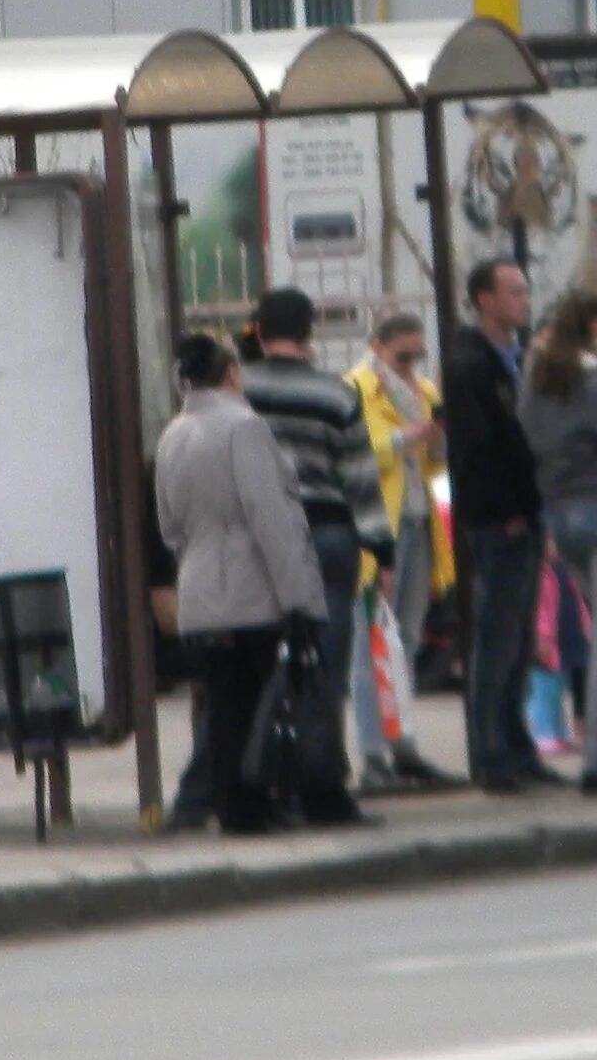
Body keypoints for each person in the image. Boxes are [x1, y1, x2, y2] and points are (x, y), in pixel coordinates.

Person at [153, 332, 330, 834]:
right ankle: (270, 799)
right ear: (232, 373)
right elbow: (271, 521)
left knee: (225, 708)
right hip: (256, 592)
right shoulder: (244, 429)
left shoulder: (173, 434)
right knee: (267, 703)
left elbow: (169, 526)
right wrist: (300, 597)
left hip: (201, 592)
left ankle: (233, 809)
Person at [239, 287, 385, 823]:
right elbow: (360, 479)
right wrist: (378, 543)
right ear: (310, 333)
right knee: (324, 665)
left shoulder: (240, 392)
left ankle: (261, 781)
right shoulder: (337, 395)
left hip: (255, 539)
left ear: (256, 330)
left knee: (256, 665)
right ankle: (322, 786)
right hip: (325, 536)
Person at [516, 288, 597, 795]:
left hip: (561, 516)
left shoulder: (535, 387)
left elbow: (529, 450)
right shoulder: (593, 386)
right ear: (595, 327)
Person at [443, 257, 560, 794]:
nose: (523, 299)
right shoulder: (471, 365)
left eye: (524, 290)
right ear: (484, 299)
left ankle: (519, 746)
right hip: (501, 521)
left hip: (529, 514)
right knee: (497, 638)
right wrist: (506, 512)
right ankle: (492, 753)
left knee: (517, 641)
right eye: (512, 291)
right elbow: (480, 450)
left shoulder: (514, 356)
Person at [343, 310, 464, 793]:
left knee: (406, 639)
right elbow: (351, 453)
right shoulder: (354, 389)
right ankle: (374, 755)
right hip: (378, 529)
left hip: (420, 520)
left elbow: (440, 464)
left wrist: (437, 444)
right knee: (369, 643)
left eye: (418, 355)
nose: (411, 365)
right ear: (377, 347)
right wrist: (400, 439)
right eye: (402, 356)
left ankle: (403, 745)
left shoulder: (425, 393)